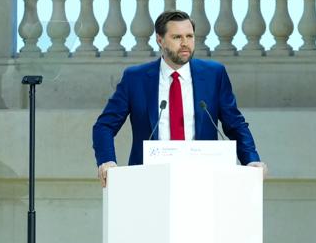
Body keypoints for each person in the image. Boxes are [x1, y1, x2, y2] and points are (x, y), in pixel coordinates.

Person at [92, 10, 264, 186]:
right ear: (160, 40)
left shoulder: (214, 75)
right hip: (149, 182)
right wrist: (107, 161)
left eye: (189, 36)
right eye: (177, 37)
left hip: (203, 180)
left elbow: (235, 124)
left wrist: (251, 159)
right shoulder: (135, 78)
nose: (185, 43)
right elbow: (104, 126)